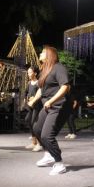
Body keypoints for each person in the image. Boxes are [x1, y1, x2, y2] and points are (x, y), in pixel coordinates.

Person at [28, 46, 71, 175]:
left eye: (42, 52)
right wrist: (34, 101)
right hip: (48, 105)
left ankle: (59, 163)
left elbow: (65, 87)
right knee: (36, 129)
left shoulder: (59, 68)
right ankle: (48, 154)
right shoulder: (44, 70)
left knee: (47, 135)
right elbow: (41, 89)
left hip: (58, 105)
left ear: (49, 55)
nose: (40, 54)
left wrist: (51, 101)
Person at [24, 66, 43, 152]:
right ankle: (34, 142)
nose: (28, 74)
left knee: (34, 124)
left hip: (37, 106)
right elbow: (26, 92)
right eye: (28, 72)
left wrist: (34, 99)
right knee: (28, 120)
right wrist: (26, 99)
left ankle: (40, 144)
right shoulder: (28, 83)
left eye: (30, 72)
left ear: (35, 73)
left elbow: (40, 94)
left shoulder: (39, 83)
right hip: (31, 106)